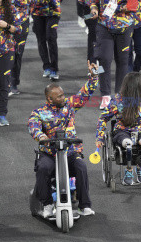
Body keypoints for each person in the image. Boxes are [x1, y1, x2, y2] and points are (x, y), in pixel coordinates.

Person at [28, 61, 99, 218]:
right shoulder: (39, 112)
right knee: (43, 168)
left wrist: (94, 76)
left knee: (81, 166)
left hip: (70, 151)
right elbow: (33, 126)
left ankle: (84, 206)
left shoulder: (69, 105)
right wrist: (41, 136)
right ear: (50, 99)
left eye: (63, 94)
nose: (64, 97)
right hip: (50, 153)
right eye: (59, 96)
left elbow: (85, 94)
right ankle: (46, 205)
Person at [87, 0, 138, 109]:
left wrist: (126, 8)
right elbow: (93, 1)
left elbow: (136, 3)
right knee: (104, 59)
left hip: (124, 26)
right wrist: (94, 9)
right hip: (104, 25)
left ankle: (119, 95)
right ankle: (105, 95)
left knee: (123, 61)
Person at [96, 72, 141, 185]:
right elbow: (103, 118)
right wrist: (99, 136)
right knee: (127, 143)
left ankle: (140, 167)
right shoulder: (116, 101)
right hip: (122, 131)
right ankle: (129, 171)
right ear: (137, 87)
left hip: (140, 130)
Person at [0, 0, 32, 96]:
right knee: (4, 52)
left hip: (20, 22)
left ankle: (14, 82)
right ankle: (5, 83)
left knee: (17, 53)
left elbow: (28, 0)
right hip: (2, 21)